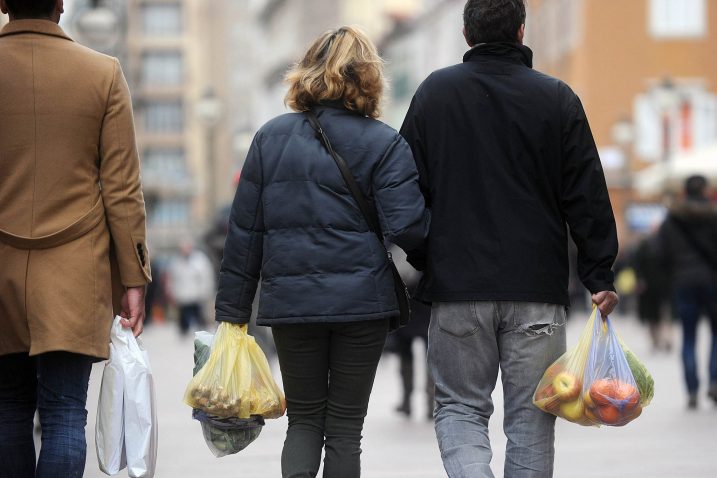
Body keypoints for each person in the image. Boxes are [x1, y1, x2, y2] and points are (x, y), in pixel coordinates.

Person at [399, 1, 619, 476]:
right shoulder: (556, 98)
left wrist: (424, 253)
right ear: (522, 31)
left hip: (457, 287)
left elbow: (403, 188)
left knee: (459, 408)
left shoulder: (434, 95)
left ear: (465, 33)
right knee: (533, 416)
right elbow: (587, 192)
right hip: (535, 289)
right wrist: (598, 272)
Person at [214, 26, 430, 478]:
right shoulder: (384, 142)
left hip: (293, 306)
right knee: (346, 430)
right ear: (369, 78)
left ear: (306, 72)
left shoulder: (270, 139)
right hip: (362, 305)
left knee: (305, 421)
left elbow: (245, 234)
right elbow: (408, 225)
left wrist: (232, 313)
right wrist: (444, 268)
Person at [0, 0, 151, 476]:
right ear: (61, 5)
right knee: (66, 413)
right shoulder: (102, 73)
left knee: (7, 409)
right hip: (74, 269)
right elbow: (122, 188)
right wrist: (133, 276)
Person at [657, 175, 717, 409]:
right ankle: (714, 382)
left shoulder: (672, 219)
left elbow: (660, 253)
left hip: (683, 282)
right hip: (712, 280)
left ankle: (692, 390)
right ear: (705, 191)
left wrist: (674, 274)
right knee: (716, 334)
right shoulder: (713, 217)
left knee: (689, 336)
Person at [632, 230, 673, 353]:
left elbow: (636, 266)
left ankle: (663, 339)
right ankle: (661, 340)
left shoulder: (645, 247)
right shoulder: (662, 246)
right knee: (659, 315)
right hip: (655, 288)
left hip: (655, 288)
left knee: (660, 315)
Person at [168, 241, 215, 335]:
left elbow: (206, 276)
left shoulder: (200, 259)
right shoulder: (176, 261)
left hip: (197, 294)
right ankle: (184, 331)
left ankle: (202, 332)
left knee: (199, 315)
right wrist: (173, 292)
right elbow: (173, 279)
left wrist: (206, 291)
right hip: (182, 295)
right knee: (183, 316)